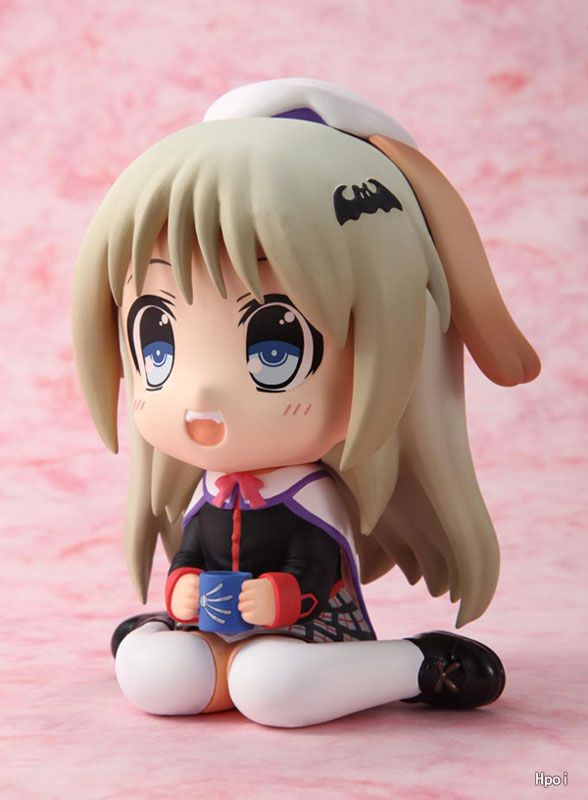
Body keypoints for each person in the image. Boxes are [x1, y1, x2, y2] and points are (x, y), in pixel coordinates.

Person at [72, 79, 540, 727]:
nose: (200, 392)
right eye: (158, 343)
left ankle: (418, 663)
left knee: (275, 686)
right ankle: (167, 637)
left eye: (275, 346)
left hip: (311, 630)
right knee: (159, 678)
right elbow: (192, 550)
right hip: (217, 625)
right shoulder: (211, 490)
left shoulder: (309, 496)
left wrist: (283, 597)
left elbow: (317, 564)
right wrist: (184, 588)